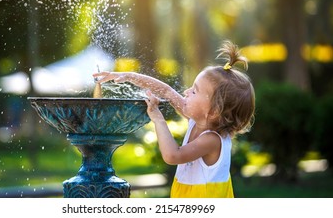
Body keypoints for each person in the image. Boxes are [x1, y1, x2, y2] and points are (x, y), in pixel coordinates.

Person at [93, 40, 255, 198]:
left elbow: (172, 156)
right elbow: (167, 91)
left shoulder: (212, 140)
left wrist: (158, 119)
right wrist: (128, 76)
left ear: (213, 111)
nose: (186, 91)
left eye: (194, 91)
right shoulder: (198, 120)